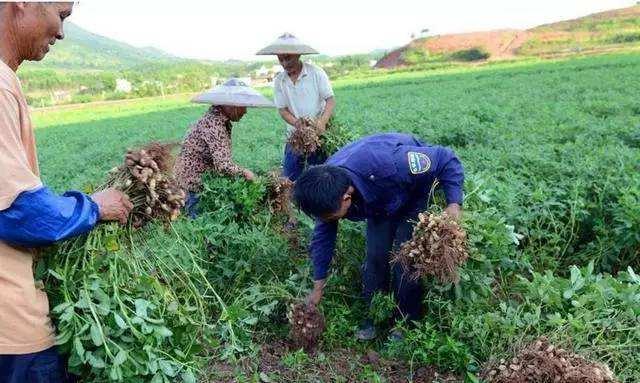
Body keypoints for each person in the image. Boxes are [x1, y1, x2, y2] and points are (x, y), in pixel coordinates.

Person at [0, 3, 133, 382]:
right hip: (12, 325)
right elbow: (19, 211)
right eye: (62, 13)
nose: (61, 32)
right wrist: (94, 207)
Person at [292, 133, 464, 340]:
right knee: (375, 257)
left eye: (330, 216)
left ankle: (406, 322)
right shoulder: (325, 191)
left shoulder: (396, 165)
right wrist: (318, 286)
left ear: (347, 198)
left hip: (410, 192)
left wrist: (454, 204)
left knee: (406, 259)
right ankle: (374, 317)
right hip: (377, 202)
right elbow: (323, 238)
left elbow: (446, 157)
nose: (327, 220)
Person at [174, 78, 274, 217]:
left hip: (201, 177)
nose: (245, 111)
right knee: (198, 221)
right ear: (230, 105)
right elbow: (223, 165)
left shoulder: (219, 119)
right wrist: (245, 173)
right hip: (193, 180)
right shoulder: (214, 125)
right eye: (242, 106)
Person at [257, 33, 336, 181]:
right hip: (295, 136)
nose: (285, 63)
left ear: (298, 54)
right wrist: (297, 123)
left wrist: (322, 122)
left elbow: (330, 100)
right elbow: (282, 110)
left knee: (321, 177)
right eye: (281, 59)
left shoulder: (316, 73)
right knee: (290, 177)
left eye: (288, 58)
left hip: (317, 135)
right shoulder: (280, 81)